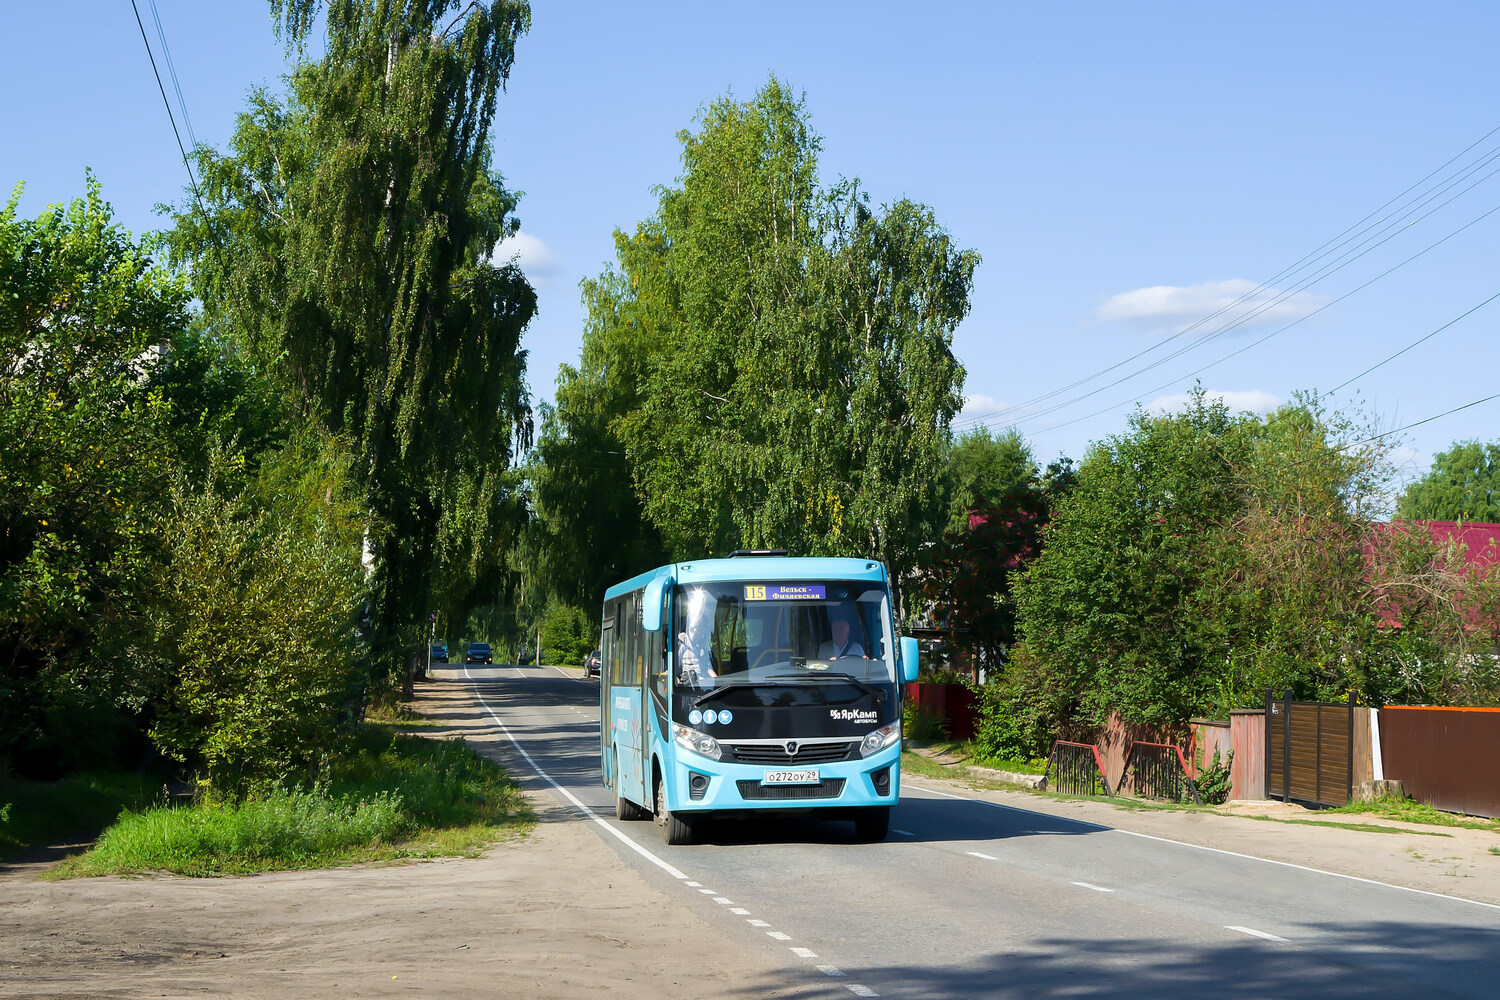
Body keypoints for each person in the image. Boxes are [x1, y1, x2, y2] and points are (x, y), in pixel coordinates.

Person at [676, 590, 715, 687]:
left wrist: (718, 682)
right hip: (687, 686)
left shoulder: (701, 646)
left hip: (702, 684)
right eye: (702, 627)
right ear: (695, 626)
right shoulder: (682, 641)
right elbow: (674, 663)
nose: (704, 631)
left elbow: (708, 668)